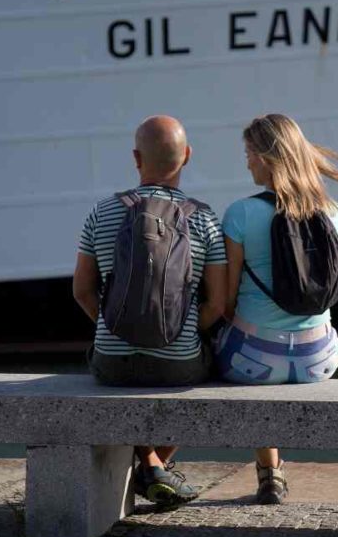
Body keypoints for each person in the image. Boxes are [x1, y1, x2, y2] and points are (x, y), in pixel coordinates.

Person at [72, 115, 226, 506]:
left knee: (117, 373)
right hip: (178, 364)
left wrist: (116, 327)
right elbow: (219, 303)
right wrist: (181, 332)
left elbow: (82, 292)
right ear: (187, 156)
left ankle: (151, 465)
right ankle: (155, 465)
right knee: (213, 378)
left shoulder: (101, 212)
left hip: (112, 362)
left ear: (136, 158)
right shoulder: (204, 218)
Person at [215, 113, 338, 504]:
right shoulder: (331, 211)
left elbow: (227, 301)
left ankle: (269, 472)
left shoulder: (240, 213)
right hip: (321, 359)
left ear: (267, 157)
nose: (246, 161)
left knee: (228, 351)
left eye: (249, 153)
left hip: (254, 361)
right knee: (268, 358)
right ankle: (273, 472)